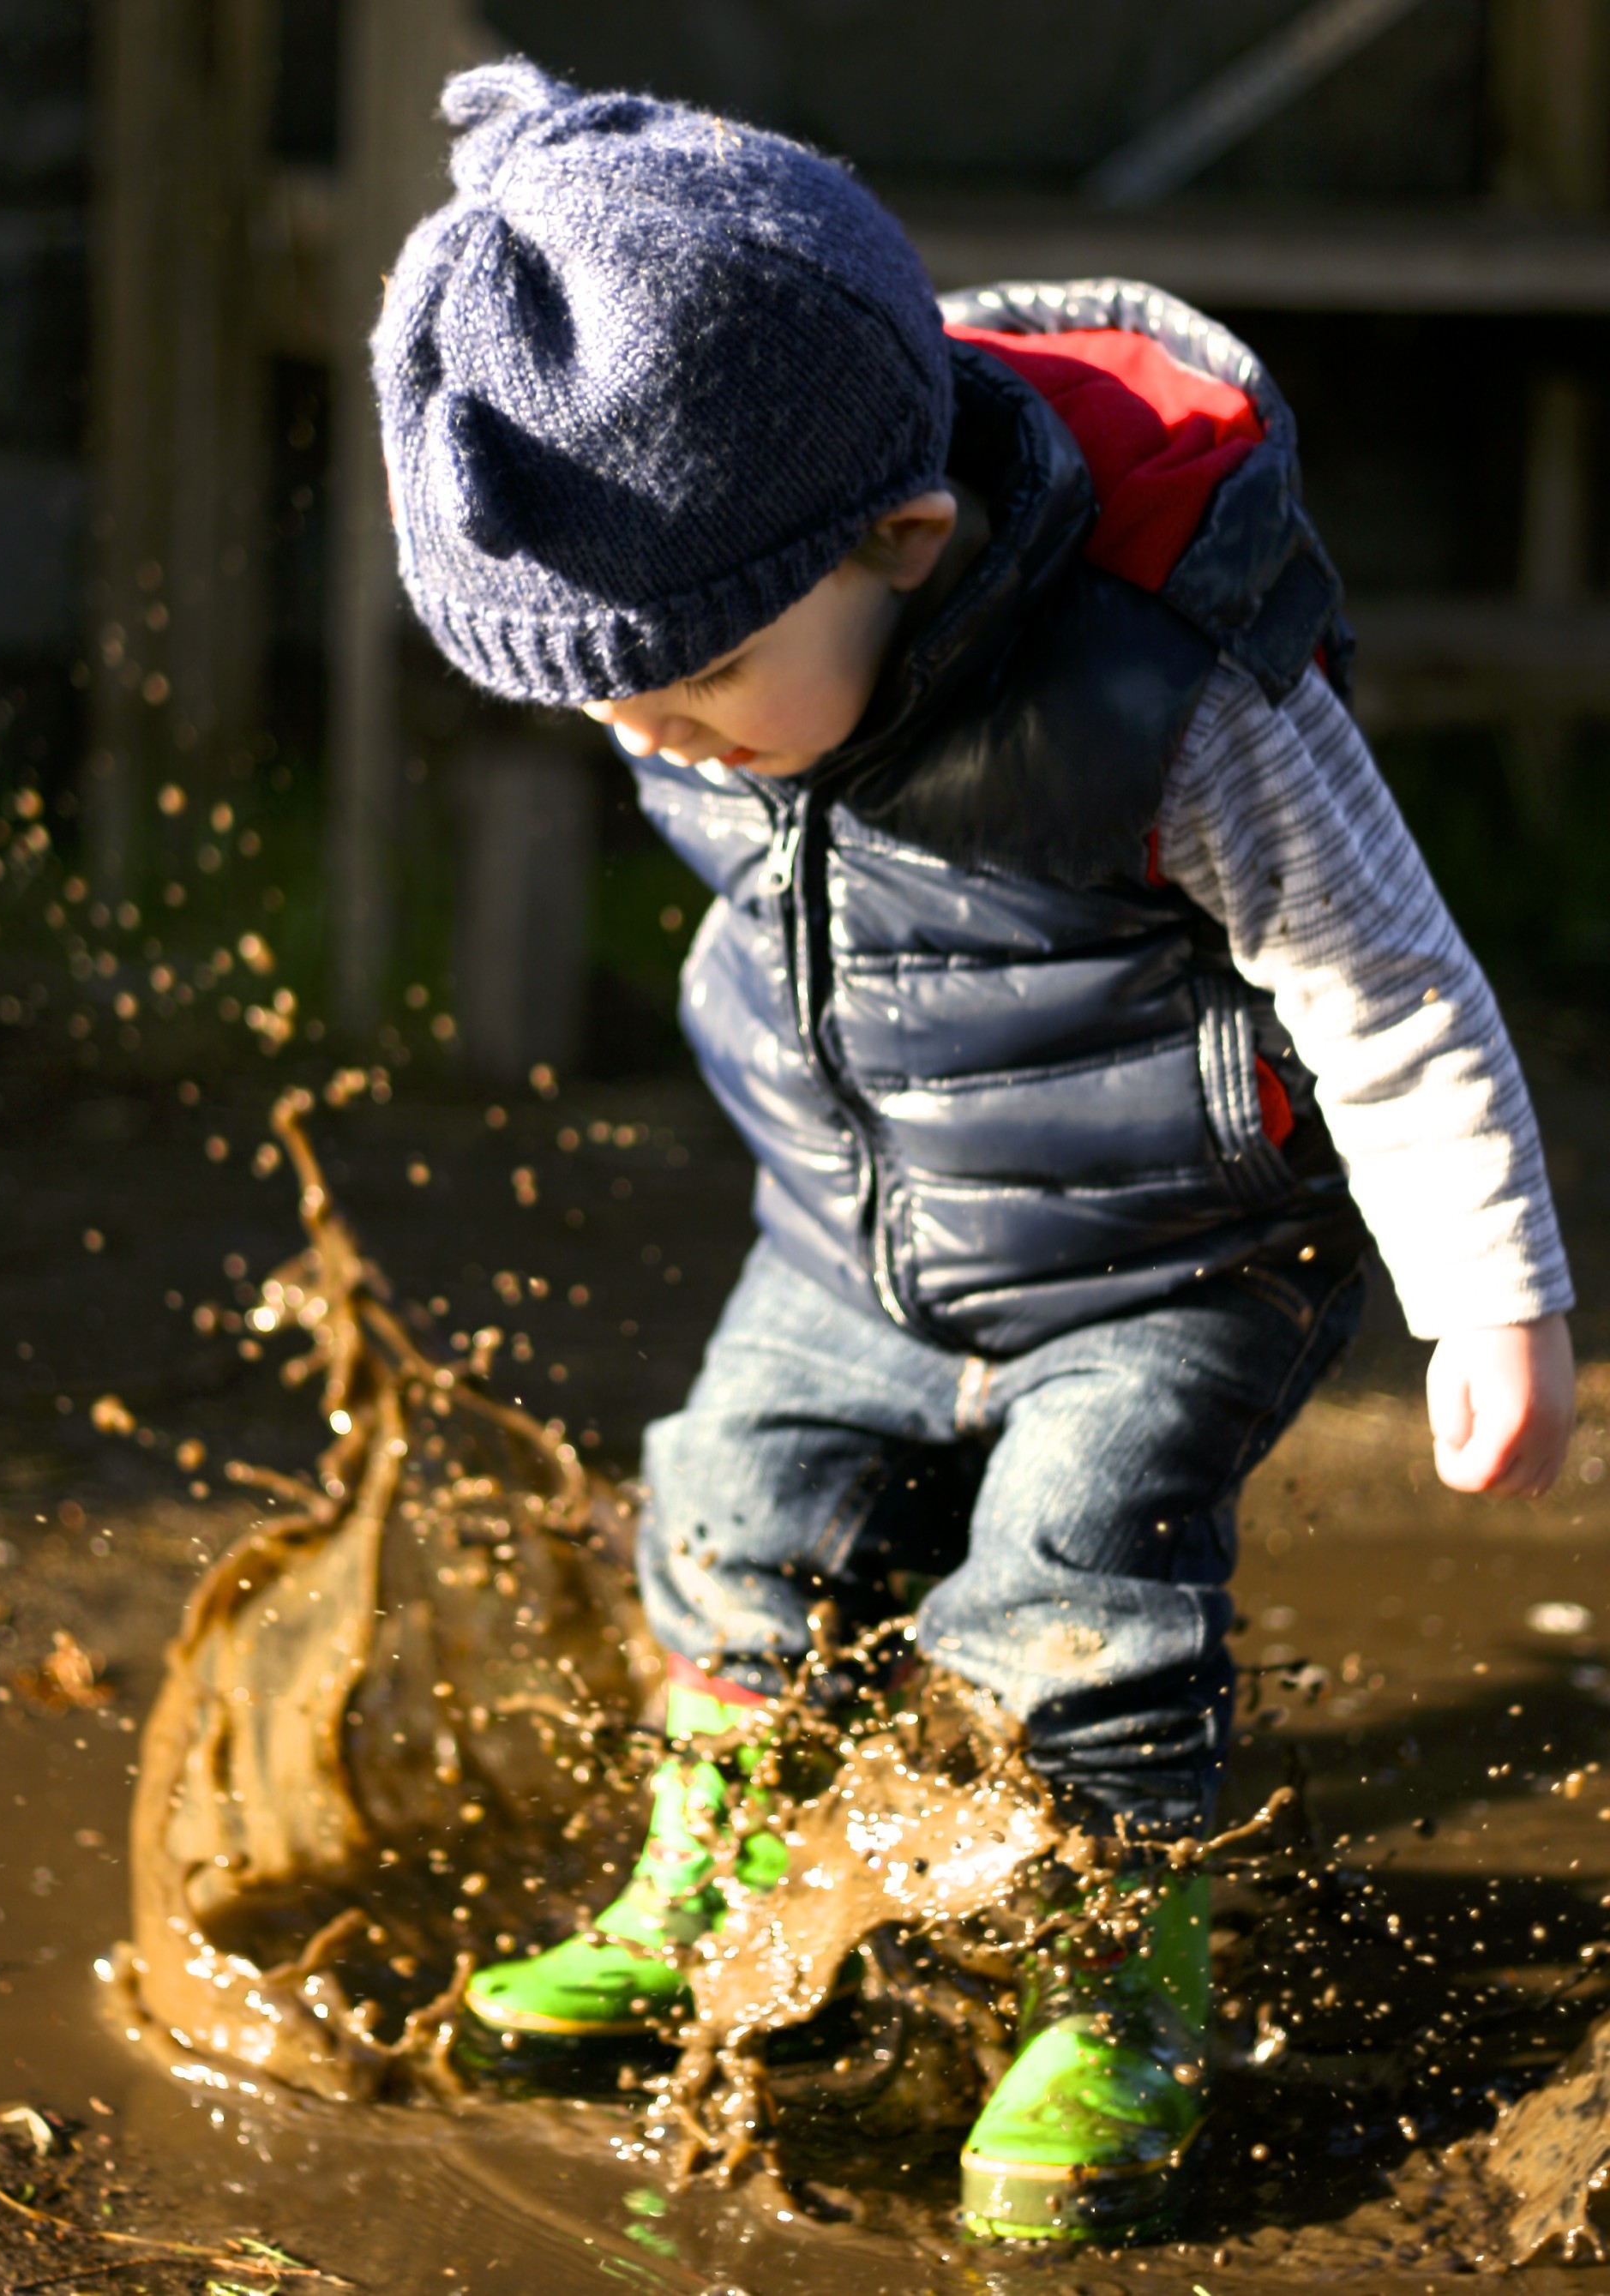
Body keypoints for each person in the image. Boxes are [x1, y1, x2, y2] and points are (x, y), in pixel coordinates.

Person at [371, 60, 1577, 2243]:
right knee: (726, 1510)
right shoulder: (724, 639)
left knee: (1076, 1580)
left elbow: (1388, 979)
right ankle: (722, 1863)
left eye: (693, 684)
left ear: (903, 544)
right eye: (603, 700)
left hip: (1167, 1255)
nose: (647, 733)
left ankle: (1114, 1960)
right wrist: (703, 705)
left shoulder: (1167, 692)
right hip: (851, 1227)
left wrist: (1491, 1293)